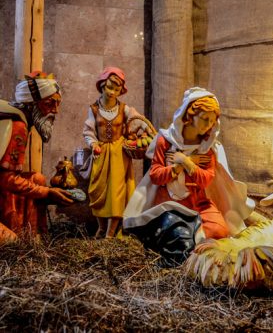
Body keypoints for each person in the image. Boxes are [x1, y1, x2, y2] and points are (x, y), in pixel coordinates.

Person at [123, 87, 255, 261]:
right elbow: (155, 175)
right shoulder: (166, 141)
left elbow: (206, 179)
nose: (209, 125)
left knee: (220, 231)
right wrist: (176, 168)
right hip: (170, 202)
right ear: (189, 115)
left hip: (200, 203)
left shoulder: (207, 148)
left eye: (212, 121)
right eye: (205, 119)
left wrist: (186, 161)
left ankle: (198, 247)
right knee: (179, 235)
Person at [83, 67, 156, 238]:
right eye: (109, 87)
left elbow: (141, 123)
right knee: (98, 190)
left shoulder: (124, 109)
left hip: (119, 154)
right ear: (102, 85)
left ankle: (110, 232)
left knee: (116, 192)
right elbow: (88, 131)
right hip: (100, 153)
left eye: (116, 89)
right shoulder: (94, 109)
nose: (112, 92)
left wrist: (150, 133)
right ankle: (101, 227)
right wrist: (93, 143)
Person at [0, 71, 74, 242]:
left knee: (37, 179)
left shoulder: (17, 121)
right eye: (49, 104)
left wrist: (44, 190)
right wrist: (47, 193)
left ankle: (34, 238)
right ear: (31, 104)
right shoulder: (17, 126)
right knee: (12, 243)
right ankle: (23, 242)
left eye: (57, 104)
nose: (55, 111)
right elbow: (6, 180)